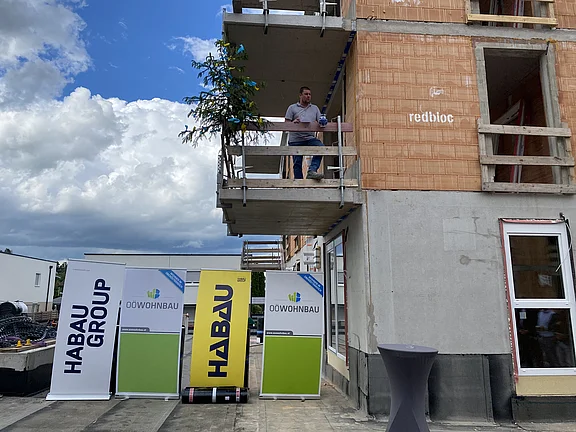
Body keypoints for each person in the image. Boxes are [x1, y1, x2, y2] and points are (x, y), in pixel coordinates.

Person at [285, 86, 325, 180]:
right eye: (306, 94)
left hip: (309, 138)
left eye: (310, 94)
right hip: (295, 140)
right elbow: (286, 124)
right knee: (297, 163)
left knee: (321, 147)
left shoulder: (315, 108)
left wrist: (321, 122)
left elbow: (320, 121)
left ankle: (312, 170)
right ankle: (299, 183)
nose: (308, 96)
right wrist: (294, 122)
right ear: (300, 95)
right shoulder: (292, 108)